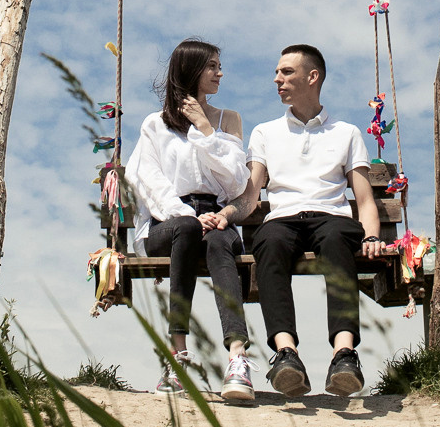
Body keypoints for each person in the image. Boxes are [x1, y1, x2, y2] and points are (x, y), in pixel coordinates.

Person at [206, 44, 383, 397]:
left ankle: (344, 354)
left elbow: (364, 200)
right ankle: (286, 354)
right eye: (277, 72)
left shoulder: (345, 132)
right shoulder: (265, 133)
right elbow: (252, 193)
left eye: (286, 72)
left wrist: (371, 237)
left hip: (331, 217)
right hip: (283, 219)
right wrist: (227, 214)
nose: (277, 79)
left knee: (336, 240)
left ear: (312, 77)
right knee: (268, 242)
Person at [126, 38, 255, 402]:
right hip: (169, 221)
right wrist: (186, 215)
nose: (220, 73)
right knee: (185, 228)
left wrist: (205, 129)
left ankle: (237, 358)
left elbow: (236, 181)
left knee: (218, 240)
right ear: (192, 70)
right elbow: (147, 180)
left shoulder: (227, 120)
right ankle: (177, 358)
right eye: (212, 66)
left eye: (218, 65)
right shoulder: (155, 125)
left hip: (216, 217)